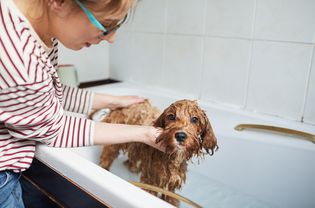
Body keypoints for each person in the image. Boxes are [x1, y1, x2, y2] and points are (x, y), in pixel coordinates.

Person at [0, 0, 164, 207]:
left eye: (117, 25)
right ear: (59, 2)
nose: (112, 38)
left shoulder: (36, 26)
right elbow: (55, 130)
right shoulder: (18, 53)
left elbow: (44, 93)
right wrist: (144, 133)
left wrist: (112, 101)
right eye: (106, 25)